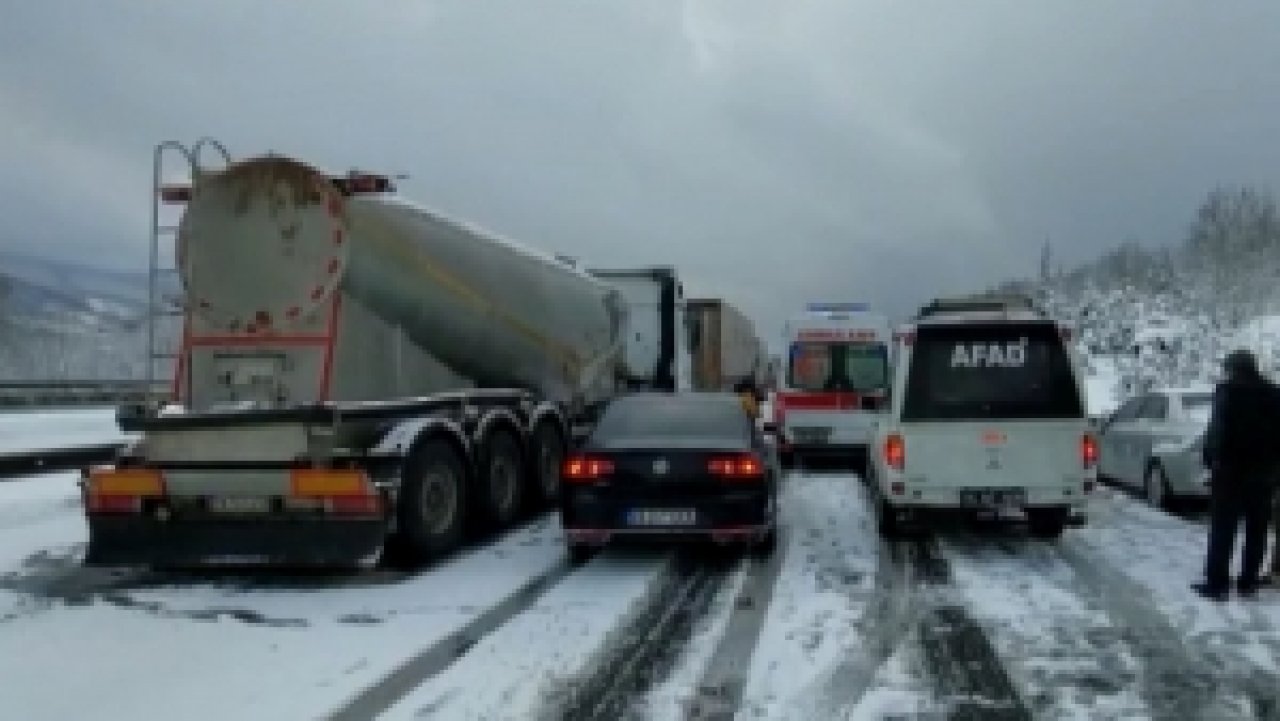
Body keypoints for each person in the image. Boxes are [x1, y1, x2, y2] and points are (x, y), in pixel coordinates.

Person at [1195, 349, 1280, 600]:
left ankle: (1217, 584)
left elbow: (1217, 431)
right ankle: (1248, 583)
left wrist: (1211, 460)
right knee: (1257, 529)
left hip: (1231, 471)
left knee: (1223, 528)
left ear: (1233, 369)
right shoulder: (1275, 393)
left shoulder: (1227, 391)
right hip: (1264, 474)